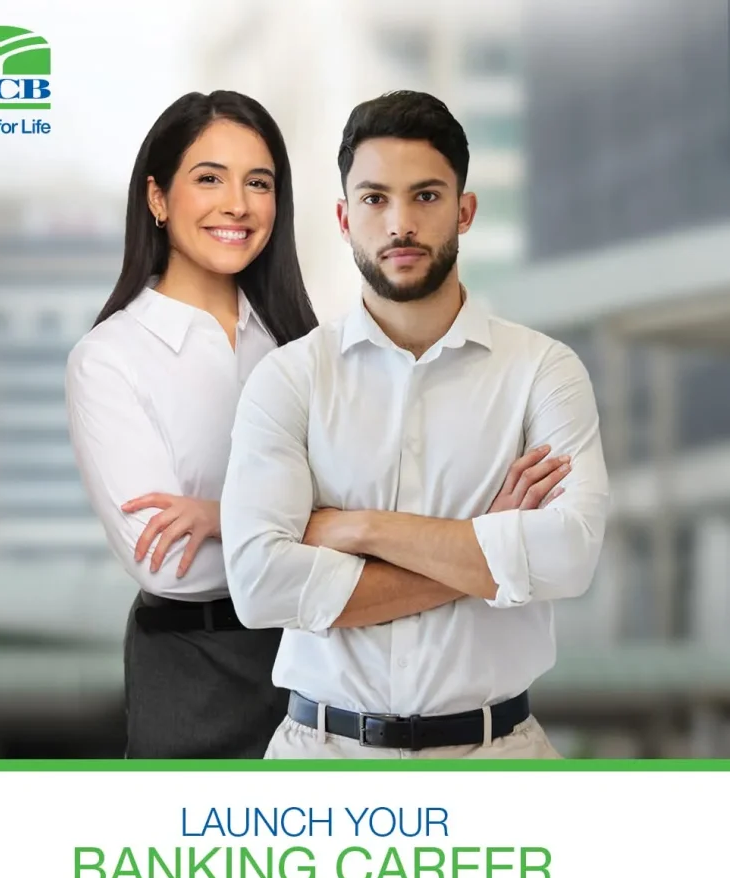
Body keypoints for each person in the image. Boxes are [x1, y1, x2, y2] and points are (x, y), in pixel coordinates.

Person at [220, 90, 610, 760]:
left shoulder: (543, 371)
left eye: (425, 196)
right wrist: (485, 547)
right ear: (344, 217)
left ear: (465, 210)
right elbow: (258, 586)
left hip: (499, 761)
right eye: (374, 199)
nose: (400, 223)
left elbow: (569, 554)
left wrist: (358, 528)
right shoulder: (289, 379)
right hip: (321, 761)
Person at [65, 90, 318, 758]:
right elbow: (169, 565)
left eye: (258, 183)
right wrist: (328, 529)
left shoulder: (302, 348)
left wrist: (221, 517)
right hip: (196, 669)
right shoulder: (109, 359)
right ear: (157, 198)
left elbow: (376, 501)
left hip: (326, 657)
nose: (237, 204)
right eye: (209, 178)